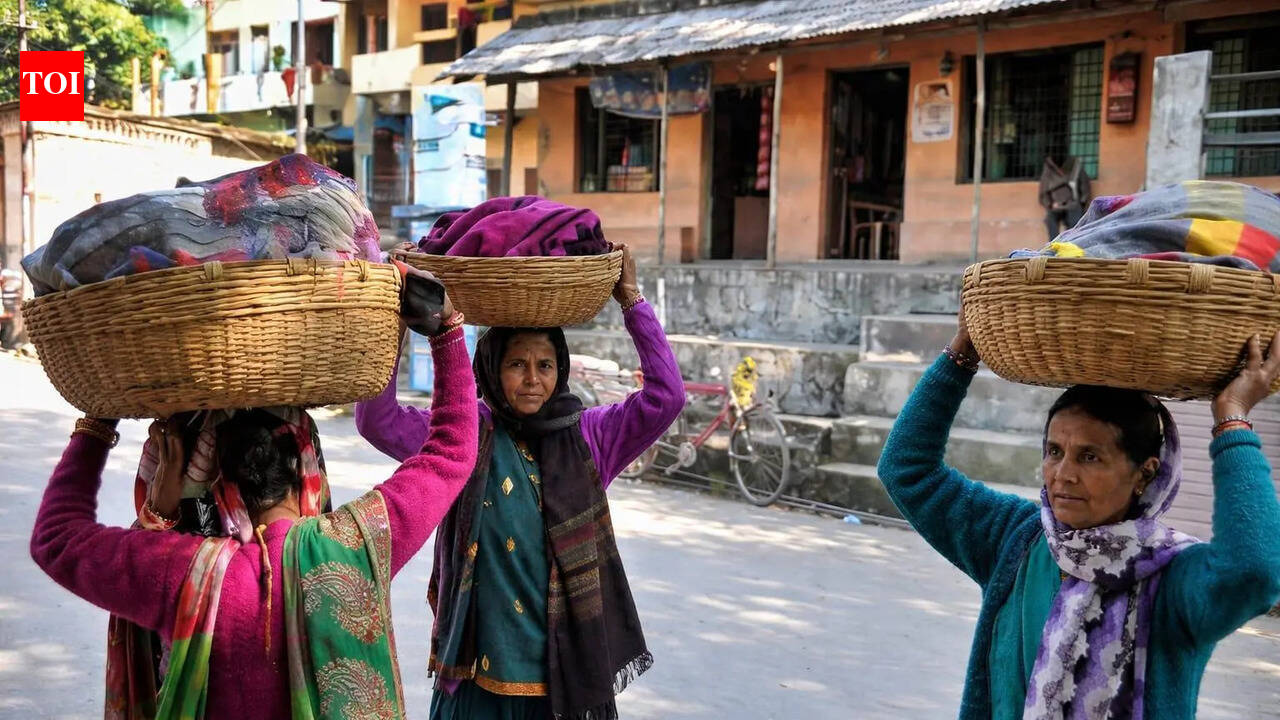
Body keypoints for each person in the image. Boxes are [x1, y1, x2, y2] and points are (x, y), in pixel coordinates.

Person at [29, 267, 477, 719]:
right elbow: (453, 451)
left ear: (222, 486)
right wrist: (447, 329)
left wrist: (99, 421)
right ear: (309, 472)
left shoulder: (185, 576)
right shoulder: (355, 547)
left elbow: (55, 538)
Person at [877, 305, 1280, 720]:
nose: (1063, 475)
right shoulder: (1015, 540)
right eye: (1054, 451)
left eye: (1090, 457)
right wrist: (962, 353)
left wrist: (1232, 421)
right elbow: (906, 470)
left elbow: (1255, 572)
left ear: (1144, 473)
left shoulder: (1174, 579)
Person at [356, 244, 685, 720]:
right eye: (516, 365)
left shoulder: (590, 437)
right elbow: (377, 421)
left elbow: (666, 398)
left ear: (560, 370)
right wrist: (403, 316)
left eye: (544, 365)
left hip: (561, 687)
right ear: (492, 368)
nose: (532, 380)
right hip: (474, 682)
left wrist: (632, 301)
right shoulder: (461, 433)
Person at [1038, 155, 1092, 241]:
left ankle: (1073, 243)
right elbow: (1043, 192)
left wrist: (1082, 202)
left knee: (1075, 225)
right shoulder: (1049, 171)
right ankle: (1054, 244)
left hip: (1073, 204)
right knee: (1050, 221)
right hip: (1055, 205)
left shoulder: (1075, 168)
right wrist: (1050, 204)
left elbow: (1085, 187)